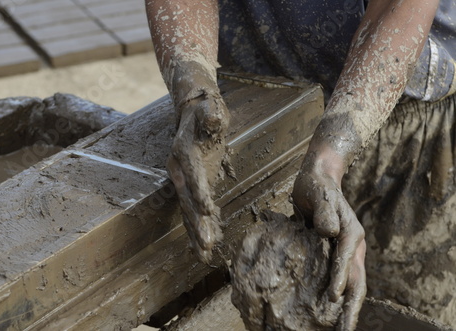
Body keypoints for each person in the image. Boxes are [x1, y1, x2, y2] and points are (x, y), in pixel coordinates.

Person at [145, 0, 456, 329]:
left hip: (398, 107)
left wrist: (327, 161)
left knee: (399, 302)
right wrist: (194, 93)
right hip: (261, 100)